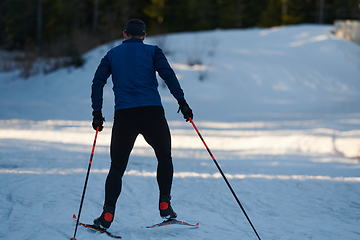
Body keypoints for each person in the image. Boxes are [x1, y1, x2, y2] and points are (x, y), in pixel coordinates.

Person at [91, 19, 193, 229]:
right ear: (144, 36)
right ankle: (165, 203)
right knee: (164, 156)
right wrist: (182, 102)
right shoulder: (153, 52)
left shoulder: (111, 55)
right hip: (152, 114)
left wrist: (97, 113)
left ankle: (108, 213)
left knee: (117, 167)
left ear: (124, 34)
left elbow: (97, 82)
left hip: (124, 116)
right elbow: (169, 76)